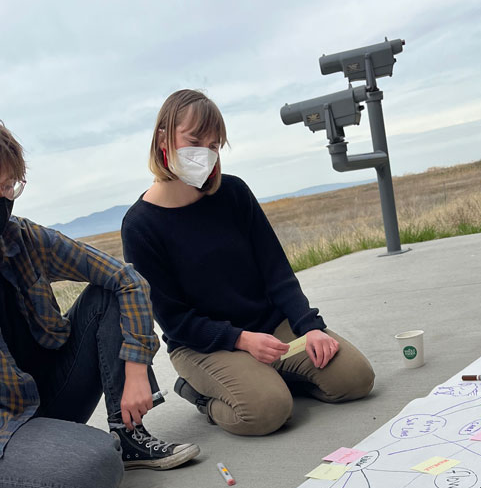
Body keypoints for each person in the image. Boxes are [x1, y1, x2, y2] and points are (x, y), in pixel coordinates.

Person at [0, 104, 200, 488]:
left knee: (106, 294)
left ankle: (127, 436)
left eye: (9, 184)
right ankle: (91, 452)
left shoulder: (23, 237)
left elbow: (127, 280)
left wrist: (138, 368)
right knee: (95, 468)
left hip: (48, 394)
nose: (0, 198)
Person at [121, 89, 375, 436]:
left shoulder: (234, 193)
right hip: (204, 345)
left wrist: (310, 326)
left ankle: (274, 377)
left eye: (213, 145)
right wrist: (241, 340)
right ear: (163, 137)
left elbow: (277, 273)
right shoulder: (140, 226)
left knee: (356, 379)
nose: (205, 154)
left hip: (271, 328)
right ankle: (201, 396)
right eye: (194, 140)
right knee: (267, 411)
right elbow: (175, 321)